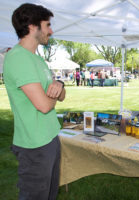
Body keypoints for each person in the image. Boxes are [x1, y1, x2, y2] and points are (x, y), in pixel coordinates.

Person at [3, 3, 65, 200]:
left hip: (50, 137)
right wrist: (55, 92)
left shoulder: (37, 59)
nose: (51, 31)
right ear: (32, 27)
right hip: (34, 145)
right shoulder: (18, 58)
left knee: (49, 194)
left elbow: (60, 94)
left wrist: (59, 86)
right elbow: (45, 105)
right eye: (47, 25)